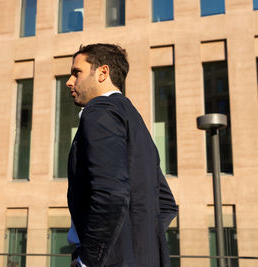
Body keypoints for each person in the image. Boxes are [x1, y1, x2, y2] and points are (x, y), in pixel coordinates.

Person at [66, 43, 178, 267]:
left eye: (76, 72)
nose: (69, 81)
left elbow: (110, 192)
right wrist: (135, 241)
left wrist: (89, 260)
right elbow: (166, 204)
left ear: (102, 73)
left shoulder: (99, 112)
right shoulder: (134, 120)